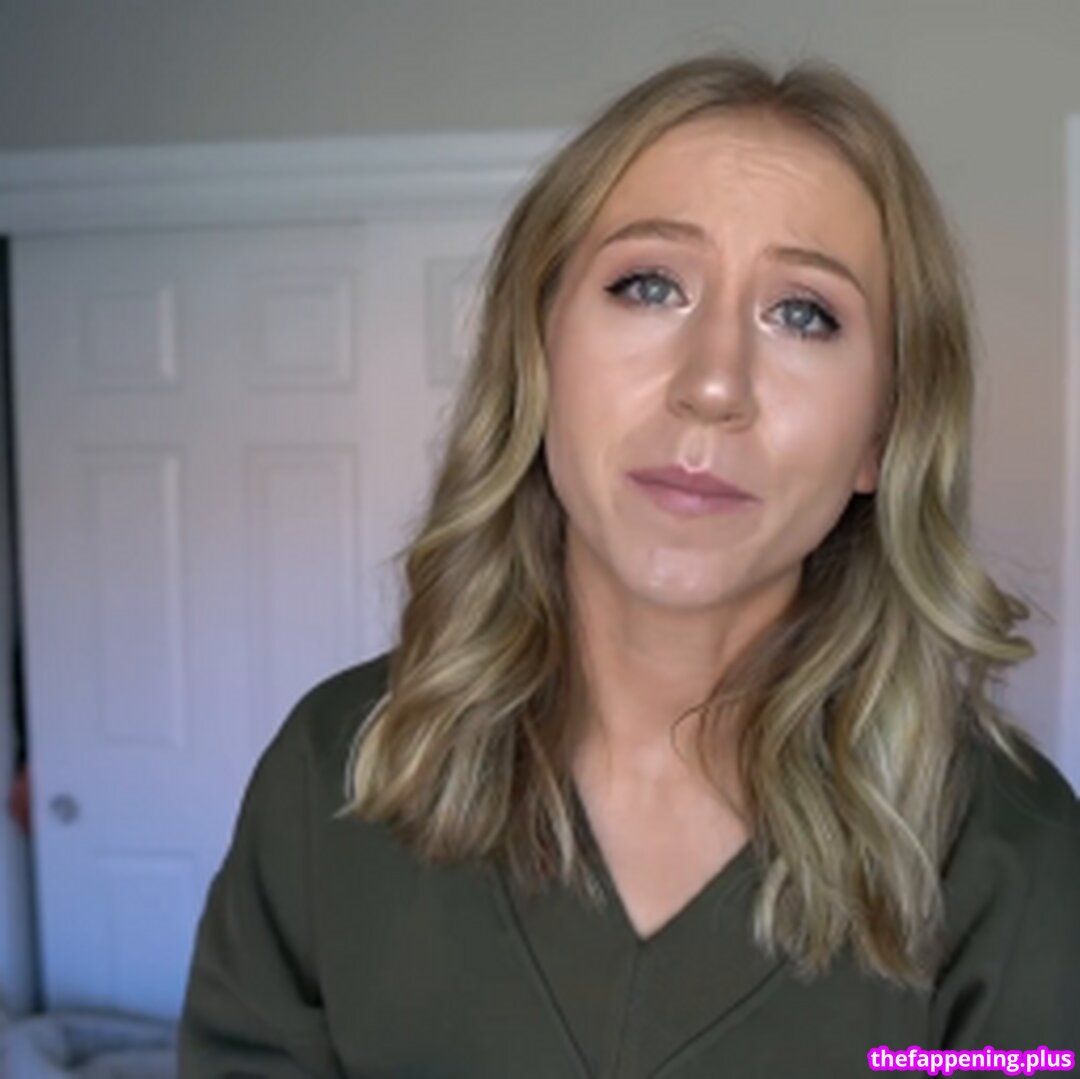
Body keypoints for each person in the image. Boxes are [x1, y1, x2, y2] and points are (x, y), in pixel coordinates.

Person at [178, 51, 1080, 1077]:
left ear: (881, 433)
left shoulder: (1018, 856)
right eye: (650, 286)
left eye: (804, 313)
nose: (714, 383)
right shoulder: (335, 767)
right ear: (538, 357)